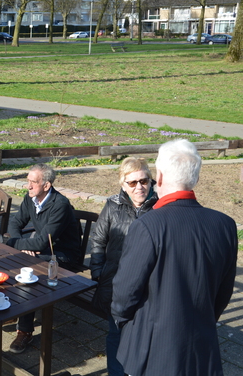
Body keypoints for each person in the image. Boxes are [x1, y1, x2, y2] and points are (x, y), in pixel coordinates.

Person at [111, 139, 237, 376]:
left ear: (159, 178)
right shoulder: (226, 225)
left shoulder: (147, 226)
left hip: (153, 351)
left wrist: (123, 321)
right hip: (202, 347)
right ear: (195, 179)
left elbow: (124, 293)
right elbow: (223, 291)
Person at [89, 157, 158, 376]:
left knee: (147, 337)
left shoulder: (161, 206)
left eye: (144, 181)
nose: (139, 187)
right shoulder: (112, 205)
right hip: (117, 283)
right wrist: (98, 272)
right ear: (123, 184)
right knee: (116, 334)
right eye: (132, 182)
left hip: (149, 286)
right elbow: (98, 240)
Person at [1, 163, 80, 354]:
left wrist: (9, 242)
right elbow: (16, 222)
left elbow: (40, 244)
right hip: (45, 249)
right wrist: (19, 242)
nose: (28, 186)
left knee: (28, 270)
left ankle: (25, 331)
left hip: (64, 255)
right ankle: (15, 307)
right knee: (14, 260)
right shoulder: (32, 197)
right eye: (27, 181)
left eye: (33, 182)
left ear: (46, 185)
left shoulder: (59, 205)